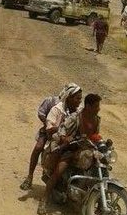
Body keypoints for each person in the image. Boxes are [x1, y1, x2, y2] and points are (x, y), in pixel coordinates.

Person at [37, 94, 102, 215]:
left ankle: (98, 201)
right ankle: (43, 201)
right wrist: (65, 138)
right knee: (59, 171)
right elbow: (62, 129)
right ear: (88, 106)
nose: (99, 108)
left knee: (100, 165)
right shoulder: (75, 117)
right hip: (71, 149)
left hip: (86, 150)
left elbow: (95, 135)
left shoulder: (96, 119)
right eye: (96, 106)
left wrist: (98, 140)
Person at [19, 83, 78, 191]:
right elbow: (41, 113)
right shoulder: (52, 101)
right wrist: (50, 124)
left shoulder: (76, 109)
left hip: (64, 134)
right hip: (49, 131)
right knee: (38, 147)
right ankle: (29, 177)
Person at [36, 86, 84, 214]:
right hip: (58, 143)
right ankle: (44, 200)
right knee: (59, 170)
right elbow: (49, 130)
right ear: (69, 98)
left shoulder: (80, 112)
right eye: (77, 98)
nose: (79, 101)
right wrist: (63, 134)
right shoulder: (57, 109)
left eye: (80, 98)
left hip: (76, 144)